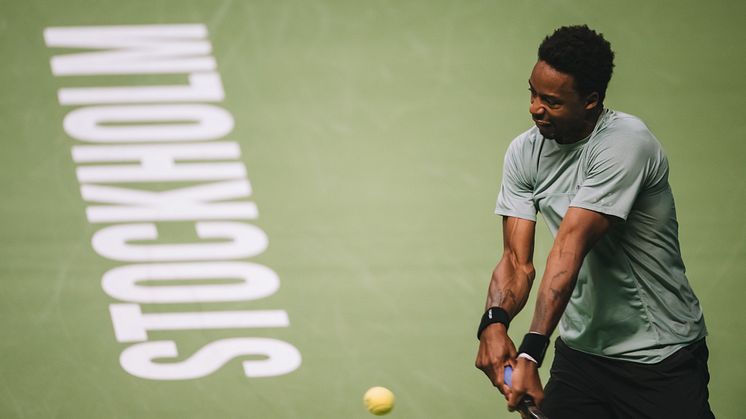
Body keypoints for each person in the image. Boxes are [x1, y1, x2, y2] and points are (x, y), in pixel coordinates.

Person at [474, 25, 714, 418]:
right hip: (581, 355)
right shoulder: (524, 152)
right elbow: (516, 262)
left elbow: (570, 247)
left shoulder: (625, 143)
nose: (535, 108)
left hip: (657, 356)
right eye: (532, 93)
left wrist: (531, 354)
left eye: (550, 101)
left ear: (590, 101)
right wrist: (494, 323)